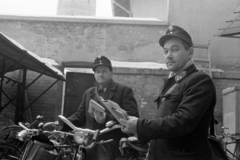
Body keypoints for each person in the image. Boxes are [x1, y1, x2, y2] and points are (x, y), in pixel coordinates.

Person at [119, 25, 216, 160]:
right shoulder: (173, 82)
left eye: (175, 50)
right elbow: (164, 124)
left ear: (190, 53)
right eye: (165, 51)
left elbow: (182, 123)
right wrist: (135, 127)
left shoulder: (199, 81)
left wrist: (140, 126)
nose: (169, 55)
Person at [59, 55, 139, 159]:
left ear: (111, 72)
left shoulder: (123, 91)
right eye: (97, 71)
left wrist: (107, 118)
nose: (100, 74)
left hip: (113, 147)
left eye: (104, 71)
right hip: (90, 145)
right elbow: (80, 115)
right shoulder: (89, 93)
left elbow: (132, 115)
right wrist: (64, 124)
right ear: (94, 74)